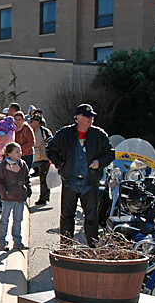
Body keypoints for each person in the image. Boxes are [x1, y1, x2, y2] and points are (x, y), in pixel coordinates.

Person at [46, 103, 115, 247]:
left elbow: (110, 153)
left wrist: (99, 162)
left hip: (90, 182)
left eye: (92, 117)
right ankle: (66, 248)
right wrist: (61, 165)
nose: (91, 119)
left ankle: (92, 248)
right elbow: (50, 150)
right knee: (67, 217)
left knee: (92, 218)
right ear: (78, 117)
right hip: (70, 181)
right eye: (88, 116)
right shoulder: (65, 134)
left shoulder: (99, 134)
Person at [0, 142, 31, 251]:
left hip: (20, 197)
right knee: (4, 220)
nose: (19, 153)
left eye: (20, 151)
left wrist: (27, 191)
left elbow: (27, 178)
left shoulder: (22, 164)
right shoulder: (3, 165)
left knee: (18, 220)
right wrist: (5, 193)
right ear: (9, 153)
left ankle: (17, 242)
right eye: (17, 151)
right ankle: (2, 242)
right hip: (8, 198)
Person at [30, 114, 52, 205]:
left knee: (44, 179)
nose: (31, 123)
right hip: (31, 156)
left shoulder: (44, 131)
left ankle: (44, 198)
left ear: (38, 122)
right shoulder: (28, 130)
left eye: (33, 121)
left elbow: (51, 142)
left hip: (43, 158)